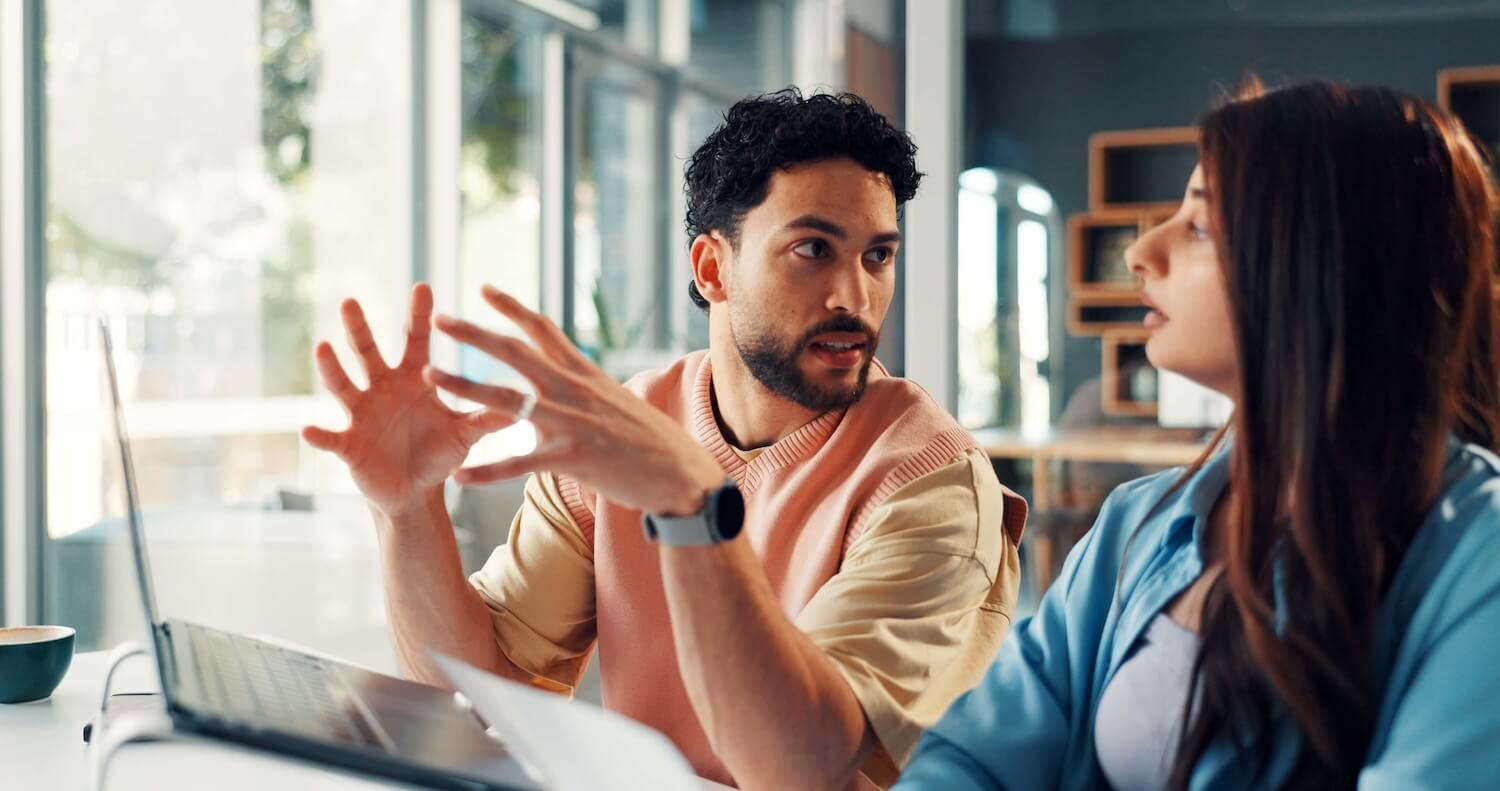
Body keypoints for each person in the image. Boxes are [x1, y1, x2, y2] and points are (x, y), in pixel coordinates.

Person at [302, 89, 1027, 790]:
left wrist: (690, 505)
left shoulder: (930, 482)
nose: (855, 297)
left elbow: (801, 768)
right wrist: (408, 509)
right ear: (713, 268)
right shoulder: (625, 431)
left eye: (878, 256)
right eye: (814, 249)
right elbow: (476, 702)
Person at [894, 80, 1500, 790]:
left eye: (1202, 226)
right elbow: (968, 757)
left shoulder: (1475, 559)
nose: (1141, 251)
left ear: (1326, 264)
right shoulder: (1138, 523)